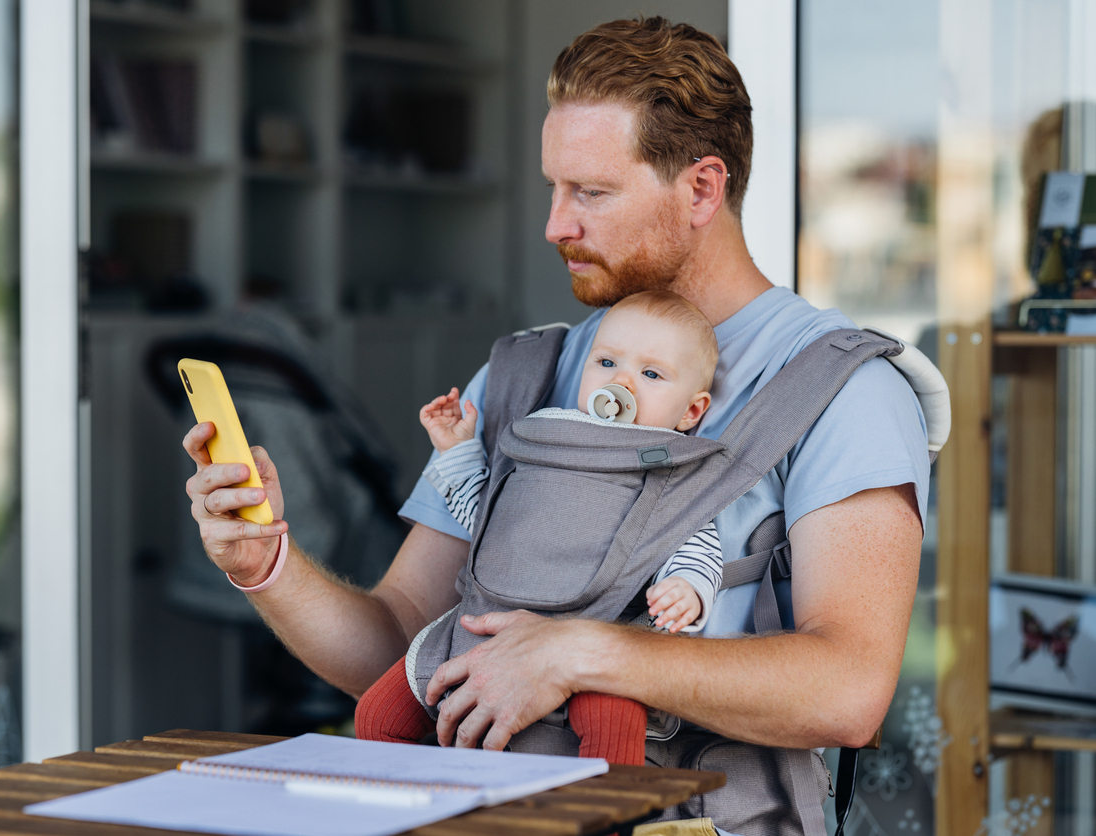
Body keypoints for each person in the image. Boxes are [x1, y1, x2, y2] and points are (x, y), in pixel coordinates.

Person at [183, 17, 926, 834]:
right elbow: (398, 645)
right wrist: (266, 563)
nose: (555, 226)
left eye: (592, 193)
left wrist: (578, 652)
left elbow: (850, 691)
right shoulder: (522, 378)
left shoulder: (841, 391)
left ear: (702, 190)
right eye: (553, 188)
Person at [354, 290, 722, 766]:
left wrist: (687, 588)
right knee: (377, 717)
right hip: (480, 625)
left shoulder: (672, 470)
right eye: (607, 363)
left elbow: (696, 542)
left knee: (614, 735)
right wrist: (457, 450)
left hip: (592, 636)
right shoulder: (546, 434)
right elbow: (487, 520)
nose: (622, 382)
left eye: (651, 374)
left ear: (691, 411)